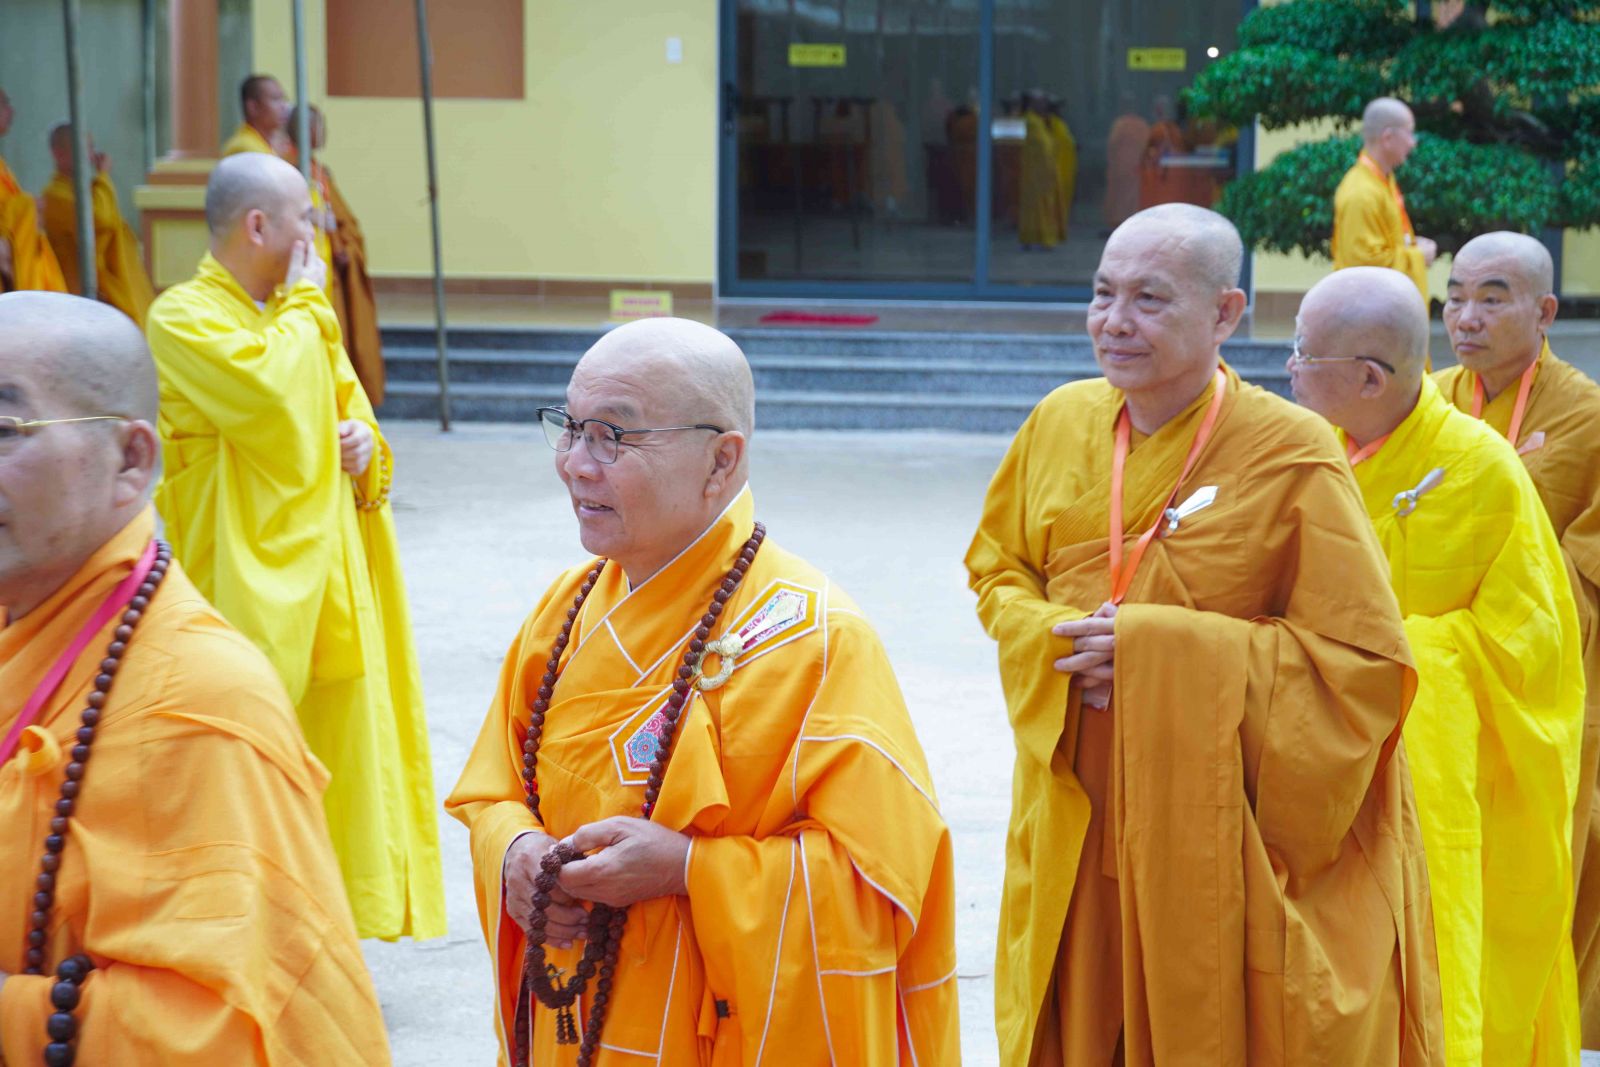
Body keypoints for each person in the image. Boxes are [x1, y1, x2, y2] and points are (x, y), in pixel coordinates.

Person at [967, 203, 1443, 1065]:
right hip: (1076, 799)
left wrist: (1159, 653)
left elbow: (1363, 666)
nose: (1115, 322)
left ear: (1226, 313)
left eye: (1149, 299)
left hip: (1212, 825)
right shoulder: (1058, 422)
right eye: (1103, 294)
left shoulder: (1291, 450)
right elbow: (998, 572)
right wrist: (1058, 637)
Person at [446, 317, 960, 1065]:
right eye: (571, 428)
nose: (577, 465)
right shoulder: (563, 611)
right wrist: (515, 851)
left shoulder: (818, 641)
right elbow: (493, 788)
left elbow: (876, 887)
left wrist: (688, 869)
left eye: (613, 436)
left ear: (722, 461)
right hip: (573, 1021)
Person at [0, 291, 389, 1064]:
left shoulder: (194, 702)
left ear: (131, 459)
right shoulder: (27, 616)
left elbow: (211, 1033)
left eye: (5, 428)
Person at [144, 152, 445, 940]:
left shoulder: (296, 312)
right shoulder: (182, 317)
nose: (316, 233)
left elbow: (349, 412)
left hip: (331, 581)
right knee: (246, 755)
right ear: (258, 225)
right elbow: (276, 403)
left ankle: (324, 925)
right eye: (305, 218)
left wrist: (363, 443)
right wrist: (310, 307)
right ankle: (239, 925)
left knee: (339, 756)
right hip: (242, 589)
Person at [1290, 265, 1584, 1063]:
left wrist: (1401, 659)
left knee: (1445, 963)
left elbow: (1534, 648)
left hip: (1442, 784)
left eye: (1304, 355)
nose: (1288, 371)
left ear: (1368, 378)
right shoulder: (1299, 452)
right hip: (1313, 765)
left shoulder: (1481, 467)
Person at [1435, 231, 1600, 1042]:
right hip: (1438, 682)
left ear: (1544, 312)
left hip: (1541, 682)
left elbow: (1586, 560)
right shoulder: (1426, 401)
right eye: (1454, 296)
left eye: (1491, 299)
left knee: (1534, 863)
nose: (1466, 317)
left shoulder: (1589, 415)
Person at [287, 106, 384, 401]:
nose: (324, 132)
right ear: (305, 131)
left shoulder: (319, 170)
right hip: (308, 265)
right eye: (319, 126)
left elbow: (338, 218)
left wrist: (342, 243)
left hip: (331, 265)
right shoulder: (290, 169)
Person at [41, 124, 156, 326]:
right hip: (83, 294)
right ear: (58, 154)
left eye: (91, 147)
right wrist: (103, 176)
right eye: (83, 148)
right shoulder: (54, 195)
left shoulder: (86, 191)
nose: (90, 155)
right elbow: (100, 220)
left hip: (110, 287)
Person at [1332, 97, 1438, 303]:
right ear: (1388, 138)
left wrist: (1412, 246)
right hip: (1368, 313)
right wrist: (1417, 256)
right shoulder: (1361, 193)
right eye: (1409, 133)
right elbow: (1363, 267)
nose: (1413, 142)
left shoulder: (1382, 181)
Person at [0, 89, 67, 294]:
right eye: (4, 104)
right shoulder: (58, 192)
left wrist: (27, 208)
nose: (11, 111)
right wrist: (26, 207)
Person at [1019, 91, 1061, 250]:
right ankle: (1032, 238)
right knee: (1034, 208)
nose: (1043, 105)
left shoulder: (1040, 121)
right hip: (1033, 173)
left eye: (1044, 102)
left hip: (1043, 174)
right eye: (1040, 102)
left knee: (1043, 207)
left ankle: (1043, 238)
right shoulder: (1030, 121)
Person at [222, 74, 289, 157]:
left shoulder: (265, 144)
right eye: (275, 99)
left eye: (284, 99)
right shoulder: (245, 148)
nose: (284, 106)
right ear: (253, 107)